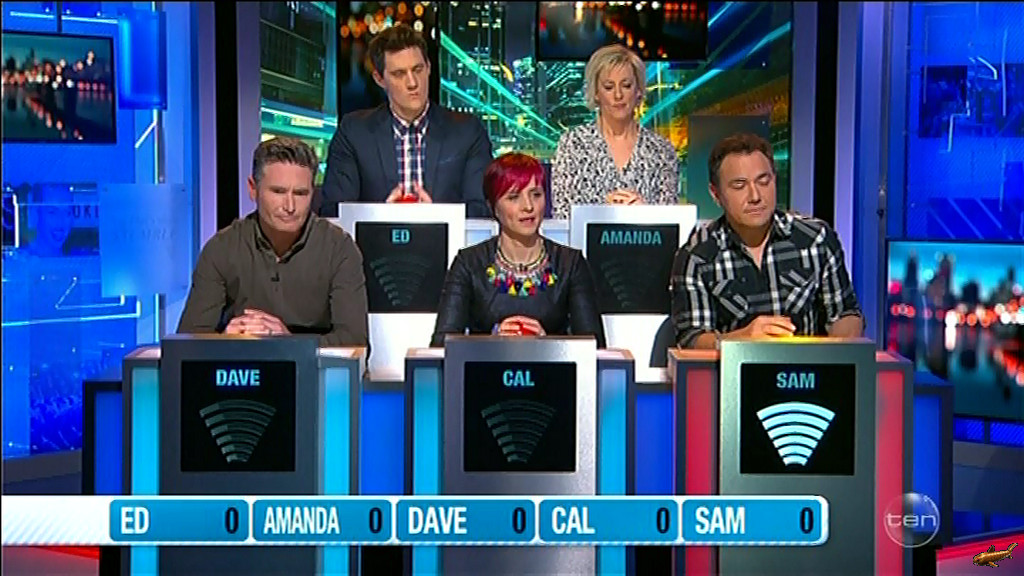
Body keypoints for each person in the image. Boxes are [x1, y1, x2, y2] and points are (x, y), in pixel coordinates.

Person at [670, 133, 864, 349]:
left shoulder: (815, 239)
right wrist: (742, 340)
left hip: (808, 367)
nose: (755, 196)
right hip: (733, 370)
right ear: (716, 194)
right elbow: (691, 339)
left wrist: (833, 353)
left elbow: (846, 314)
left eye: (763, 181)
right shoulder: (697, 256)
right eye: (739, 185)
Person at [178, 137, 368, 346]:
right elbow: (187, 342)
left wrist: (288, 343)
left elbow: (355, 342)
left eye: (300, 193)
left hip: (312, 366)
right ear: (253, 189)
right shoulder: (222, 248)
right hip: (241, 363)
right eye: (278, 191)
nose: (290, 206)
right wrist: (226, 340)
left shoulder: (339, 249)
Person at [430, 153, 606, 347]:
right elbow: (442, 346)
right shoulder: (469, 263)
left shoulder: (570, 264)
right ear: (493, 206)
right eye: (514, 197)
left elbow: (594, 348)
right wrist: (493, 342)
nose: (528, 206)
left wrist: (547, 343)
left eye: (536, 195)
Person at [319, 23, 493, 218]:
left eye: (418, 69)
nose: (412, 83)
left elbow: (483, 209)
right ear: (379, 79)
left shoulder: (468, 132)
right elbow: (333, 210)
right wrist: (383, 217)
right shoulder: (354, 133)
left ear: (429, 68)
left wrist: (436, 217)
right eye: (399, 74)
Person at [550, 43, 679, 219]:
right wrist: (604, 214)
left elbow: (670, 220)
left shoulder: (661, 151)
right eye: (609, 87)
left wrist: (645, 213)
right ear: (596, 93)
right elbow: (563, 214)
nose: (618, 95)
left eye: (626, 85)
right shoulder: (572, 145)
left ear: (638, 91)